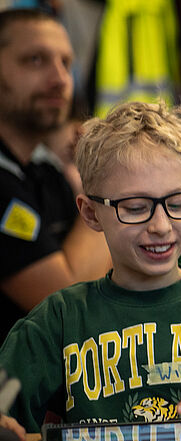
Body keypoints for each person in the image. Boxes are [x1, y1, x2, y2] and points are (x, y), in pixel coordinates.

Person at [0, 101, 181, 441]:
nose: (161, 226)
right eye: (135, 208)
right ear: (91, 214)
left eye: (178, 203)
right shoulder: (60, 318)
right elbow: (5, 397)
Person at [0, 9, 111, 341]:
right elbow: (69, 306)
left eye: (66, 63)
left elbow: (108, 277)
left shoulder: (44, 169)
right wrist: (104, 182)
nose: (61, 79)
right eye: (35, 60)